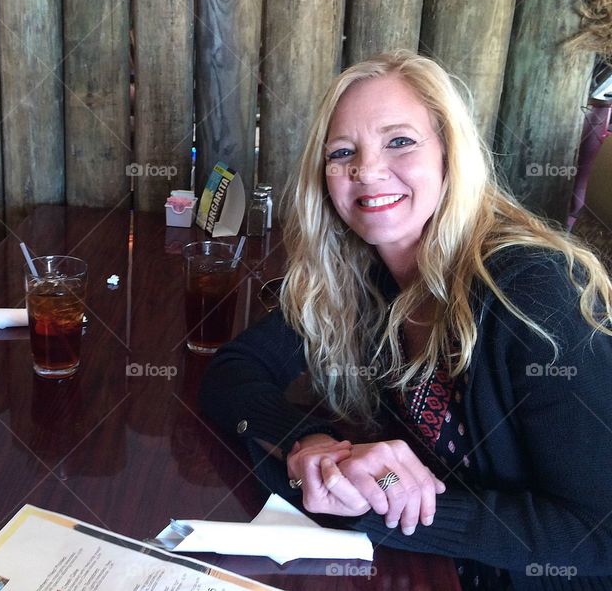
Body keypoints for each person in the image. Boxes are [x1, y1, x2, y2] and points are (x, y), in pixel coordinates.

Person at [200, 50, 612, 589]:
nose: (367, 171)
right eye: (343, 151)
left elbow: (598, 532)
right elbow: (233, 369)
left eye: (400, 141)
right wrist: (315, 447)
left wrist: (381, 508)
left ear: (449, 153)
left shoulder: (530, 292)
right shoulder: (360, 277)